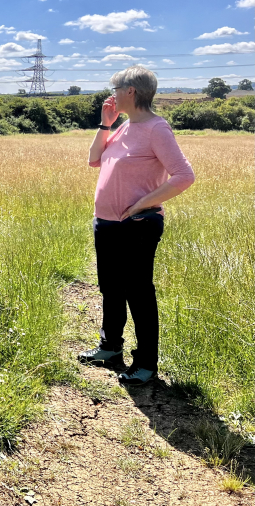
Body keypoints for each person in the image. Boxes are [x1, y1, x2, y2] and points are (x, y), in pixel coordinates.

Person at [78, 66, 194, 385]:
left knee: (138, 293)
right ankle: (111, 348)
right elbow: (93, 159)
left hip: (138, 224)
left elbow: (184, 176)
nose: (111, 93)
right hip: (107, 223)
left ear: (131, 91)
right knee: (111, 288)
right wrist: (105, 124)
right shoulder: (122, 127)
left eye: (115, 88)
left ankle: (145, 365)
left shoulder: (157, 128)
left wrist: (142, 204)